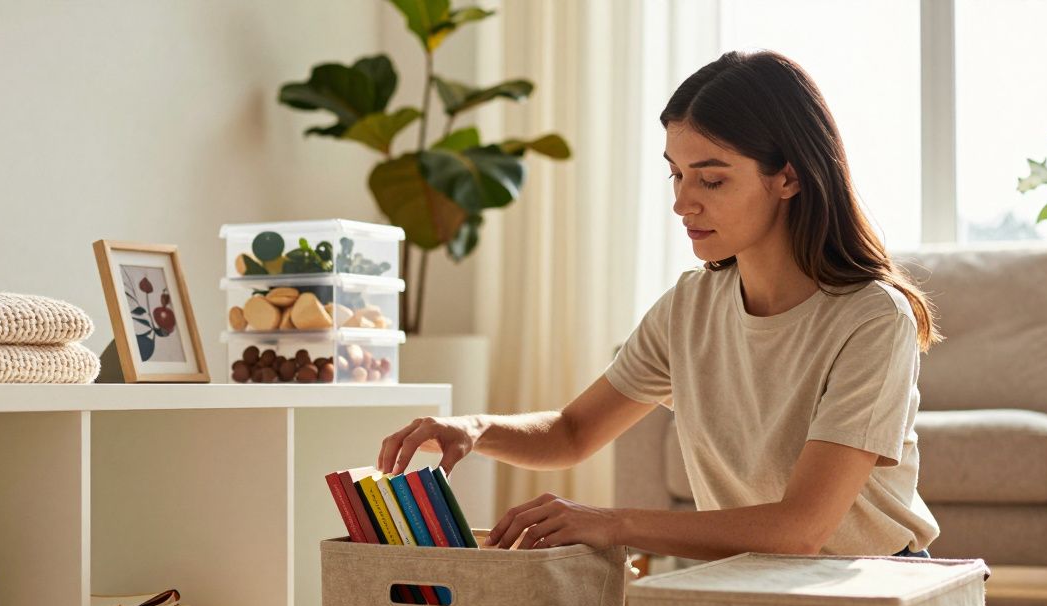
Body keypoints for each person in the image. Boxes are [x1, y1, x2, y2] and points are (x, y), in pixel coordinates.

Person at [376, 50, 940, 561]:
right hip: (752, 584)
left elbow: (801, 528)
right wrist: (474, 428)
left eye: (712, 180)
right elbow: (572, 432)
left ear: (788, 177)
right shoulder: (689, 306)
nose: (681, 202)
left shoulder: (872, 318)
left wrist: (610, 522)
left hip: (873, 588)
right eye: (675, 174)